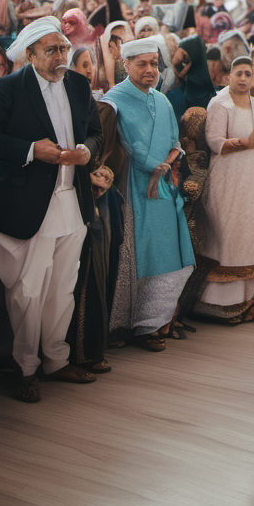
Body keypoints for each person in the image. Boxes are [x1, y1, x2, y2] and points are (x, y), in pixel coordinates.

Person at [0, 17, 103, 403]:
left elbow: (96, 133)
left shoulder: (78, 84)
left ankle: (56, 360)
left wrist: (87, 152)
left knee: (63, 287)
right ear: (29, 54)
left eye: (64, 48)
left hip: (72, 200)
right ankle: (26, 368)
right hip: (26, 202)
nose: (61, 56)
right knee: (28, 291)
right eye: (51, 50)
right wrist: (31, 150)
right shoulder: (8, 87)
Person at [103, 39, 195, 349]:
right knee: (137, 252)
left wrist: (165, 165)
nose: (150, 70)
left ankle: (153, 323)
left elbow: (175, 142)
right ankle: (123, 325)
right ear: (125, 65)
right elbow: (128, 146)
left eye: (154, 63)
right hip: (132, 188)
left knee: (164, 253)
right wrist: (153, 166)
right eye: (141, 63)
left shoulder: (163, 100)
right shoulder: (113, 100)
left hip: (163, 187)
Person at [195, 57, 254, 321]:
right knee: (227, 238)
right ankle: (215, 306)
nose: (243, 79)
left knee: (250, 237)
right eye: (238, 73)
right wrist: (245, 142)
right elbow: (215, 142)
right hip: (228, 181)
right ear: (228, 76)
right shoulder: (220, 104)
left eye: (248, 74)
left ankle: (243, 303)